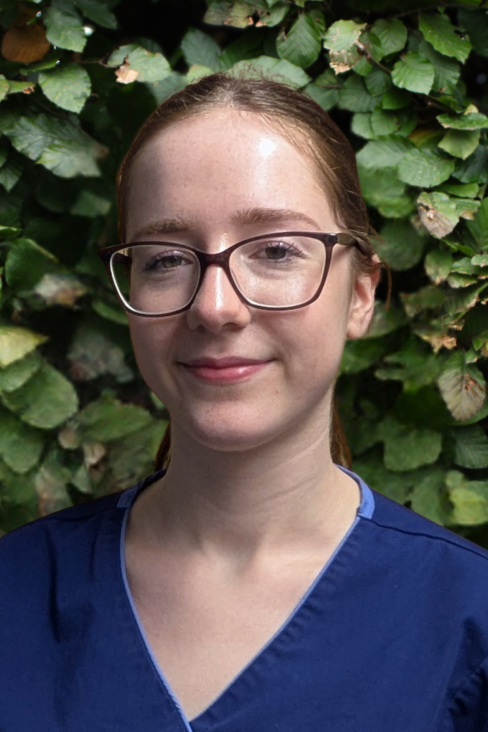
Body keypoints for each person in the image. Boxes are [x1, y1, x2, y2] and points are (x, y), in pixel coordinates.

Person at [1, 72, 488, 732]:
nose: (215, 307)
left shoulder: (468, 623)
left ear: (360, 295)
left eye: (277, 250)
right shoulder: (15, 592)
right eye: (166, 258)